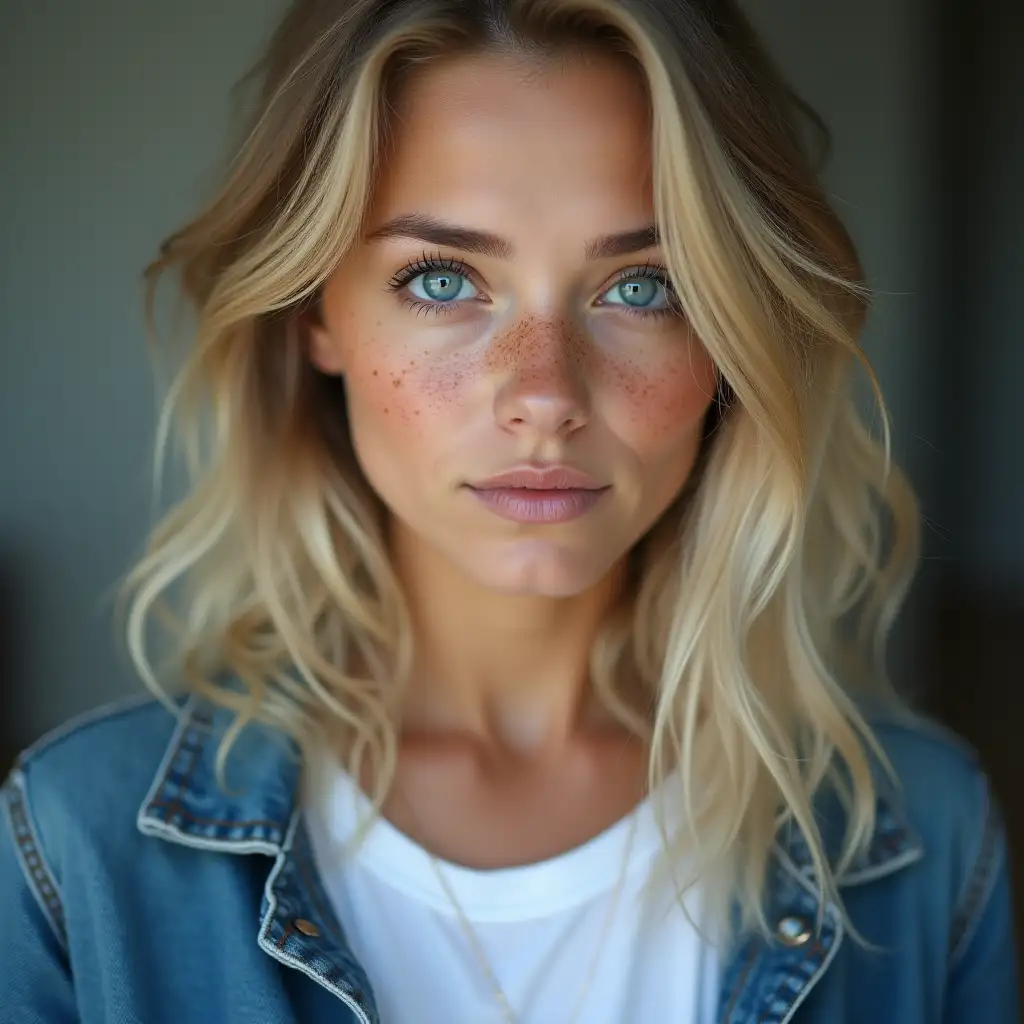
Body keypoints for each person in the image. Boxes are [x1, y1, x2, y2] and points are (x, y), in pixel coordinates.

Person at [2, 0, 1019, 1020]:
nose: (544, 394)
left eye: (641, 286)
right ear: (317, 311)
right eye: (443, 278)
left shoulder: (922, 845)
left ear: (730, 335)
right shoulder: (77, 853)